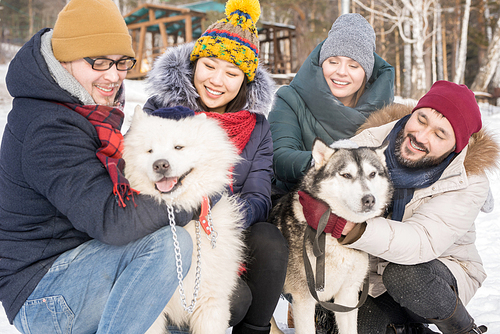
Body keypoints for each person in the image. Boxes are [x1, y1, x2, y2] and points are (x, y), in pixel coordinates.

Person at [0, 0, 197, 333]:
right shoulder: (48, 128)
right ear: (64, 60)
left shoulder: (84, 110)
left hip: (79, 265)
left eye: (121, 63)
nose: (113, 76)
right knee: (168, 245)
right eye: (99, 63)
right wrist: (194, 195)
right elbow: (114, 221)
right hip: (44, 294)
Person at [143, 0, 288, 333]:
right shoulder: (163, 110)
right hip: (169, 231)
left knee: (269, 239)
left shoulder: (257, 127)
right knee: (235, 301)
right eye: (209, 65)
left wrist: (217, 216)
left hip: (226, 232)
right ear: (195, 63)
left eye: (232, 73)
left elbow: (259, 196)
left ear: (245, 80)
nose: (217, 80)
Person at [322, 81, 496, 333]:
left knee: (405, 276)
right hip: (371, 276)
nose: (421, 136)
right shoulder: (369, 142)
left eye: (439, 134)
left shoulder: (468, 182)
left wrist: (357, 228)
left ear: (456, 148)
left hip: (436, 273)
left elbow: (421, 242)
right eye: (421, 120)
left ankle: (464, 330)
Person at [269, 13, 395, 192]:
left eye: (353, 65)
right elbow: (279, 157)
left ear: (366, 74)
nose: (341, 72)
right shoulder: (290, 100)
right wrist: (326, 160)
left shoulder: (385, 114)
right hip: (296, 202)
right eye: (333, 61)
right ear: (322, 64)